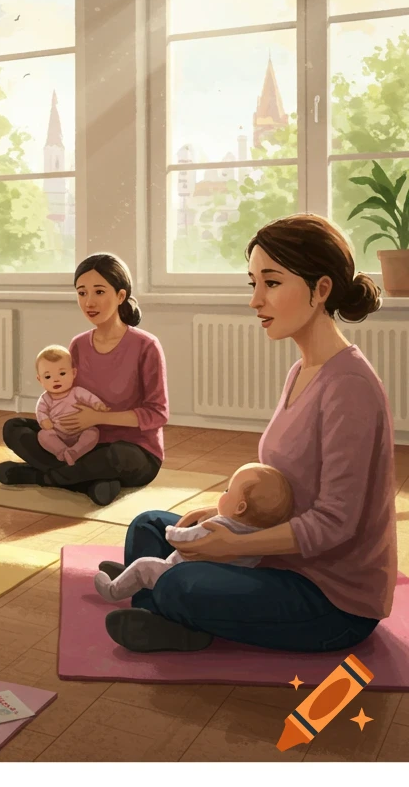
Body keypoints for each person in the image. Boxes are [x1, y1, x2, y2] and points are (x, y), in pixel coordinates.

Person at [103, 214, 397, 653]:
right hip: (275, 558)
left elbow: (336, 523)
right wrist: (225, 513)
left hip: (329, 598)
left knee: (180, 582)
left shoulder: (348, 387)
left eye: (272, 283)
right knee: (150, 526)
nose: (256, 301)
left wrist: (228, 546)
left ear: (321, 290)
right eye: (253, 284)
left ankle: (167, 603)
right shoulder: (303, 369)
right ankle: (166, 601)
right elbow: (286, 486)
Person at [0, 253, 169, 506]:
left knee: (116, 457)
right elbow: (64, 393)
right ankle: (90, 483)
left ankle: (39, 476)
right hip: (81, 444)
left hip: (133, 451)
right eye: (82, 293)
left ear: (120, 296)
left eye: (99, 292)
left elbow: (158, 414)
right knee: (14, 428)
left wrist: (98, 417)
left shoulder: (146, 345)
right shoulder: (78, 345)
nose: (89, 302)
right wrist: (54, 421)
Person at [94, 463, 292, 602]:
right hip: (223, 572)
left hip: (182, 568)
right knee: (147, 522)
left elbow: (179, 539)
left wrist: (174, 530)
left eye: (227, 491)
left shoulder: (218, 527)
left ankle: (117, 589)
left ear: (240, 507)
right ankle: (133, 583)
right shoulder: (258, 529)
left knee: (143, 565)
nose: (223, 494)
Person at [33, 344, 109, 466]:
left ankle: (76, 452)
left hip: (80, 430)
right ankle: (62, 452)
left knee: (93, 433)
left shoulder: (76, 392)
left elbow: (90, 398)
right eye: (48, 376)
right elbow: (40, 411)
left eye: (62, 374)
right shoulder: (45, 398)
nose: (55, 380)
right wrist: (44, 420)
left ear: (73, 373)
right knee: (43, 435)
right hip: (58, 432)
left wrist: (97, 405)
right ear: (40, 379)